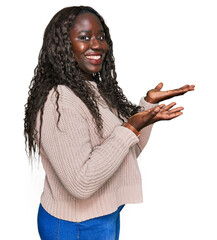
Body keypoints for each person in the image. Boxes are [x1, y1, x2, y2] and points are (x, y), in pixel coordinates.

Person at [24, 6, 195, 240]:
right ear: (63, 45)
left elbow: (126, 151)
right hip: (76, 227)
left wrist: (146, 108)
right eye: (84, 37)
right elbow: (81, 183)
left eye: (101, 37)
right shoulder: (60, 102)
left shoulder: (93, 90)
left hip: (104, 217)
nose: (97, 45)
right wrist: (131, 127)